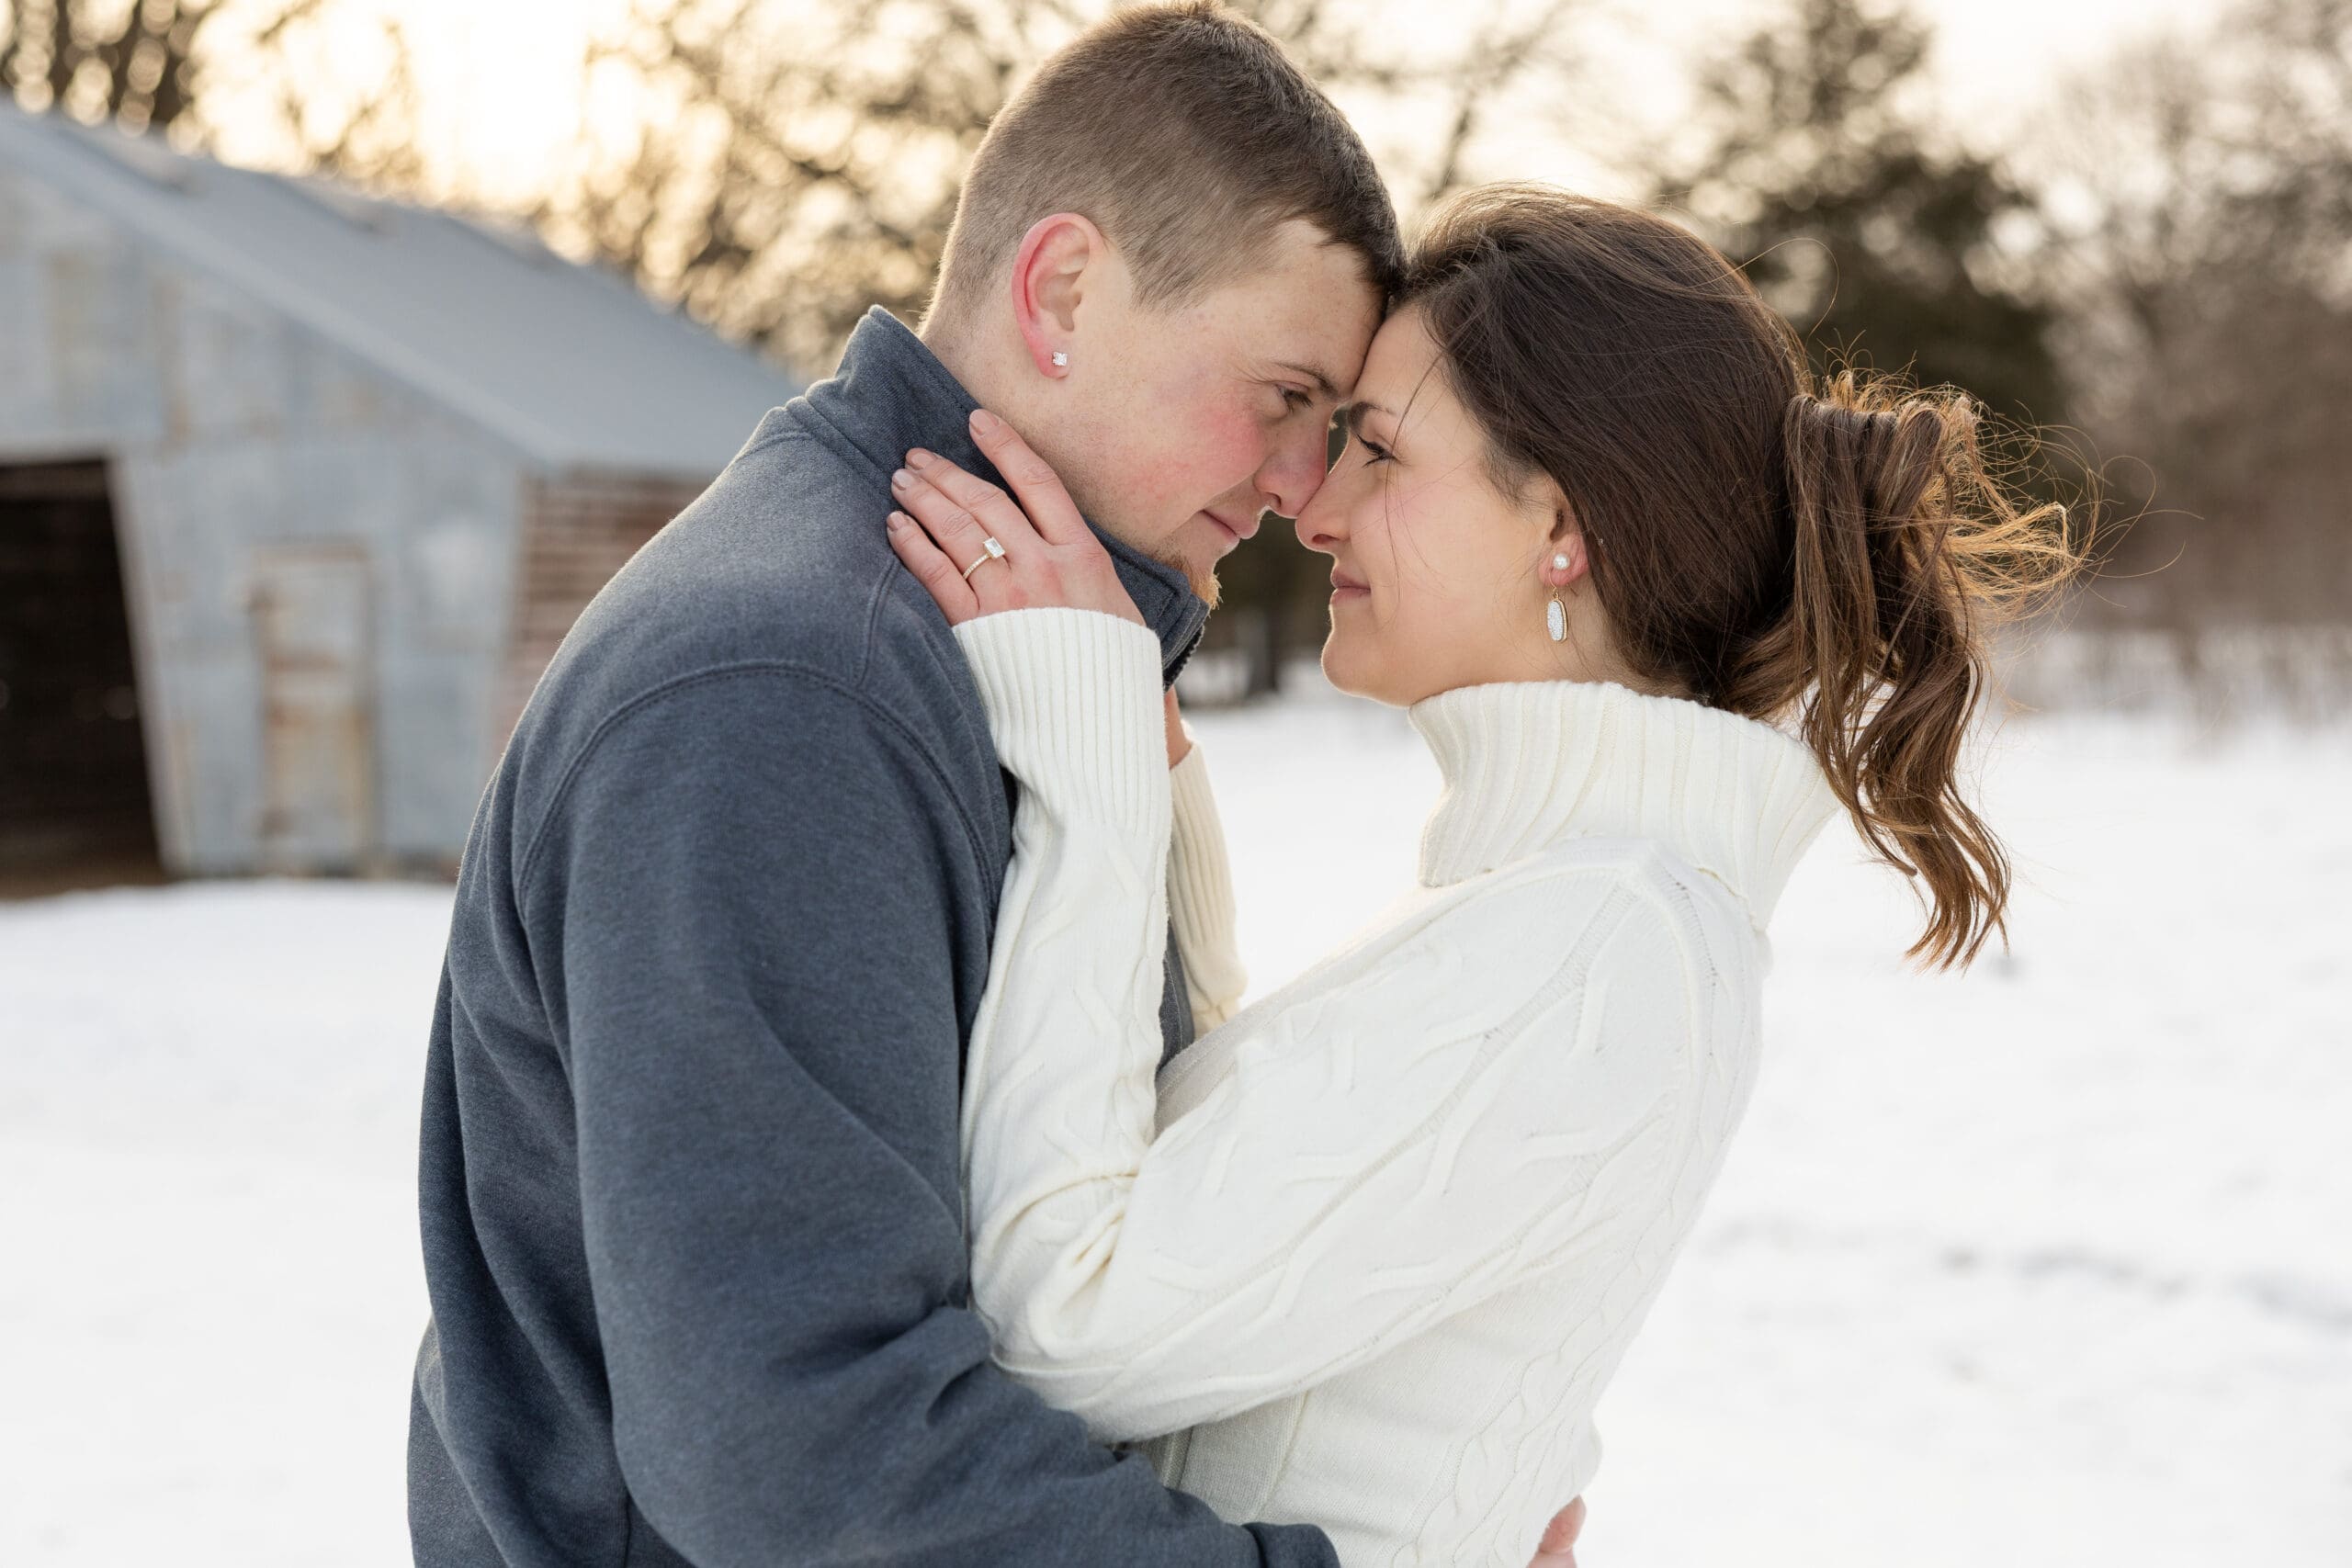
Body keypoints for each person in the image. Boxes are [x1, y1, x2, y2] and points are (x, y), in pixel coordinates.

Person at [406, 6, 1589, 1564]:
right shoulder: (791, 693)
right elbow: (800, 1451)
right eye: (1286, 397)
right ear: (1063, 291)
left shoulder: (992, 657)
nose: (1304, 488)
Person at [881, 182, 2084, 1563]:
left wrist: (1088, 782)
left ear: (1558, 526)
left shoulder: (1596, 947)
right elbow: (1242, 1210)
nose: (1314, 506)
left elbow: (1064, 1326)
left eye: (1380, 452)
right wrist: (1155, 791)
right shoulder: (1579, 905)